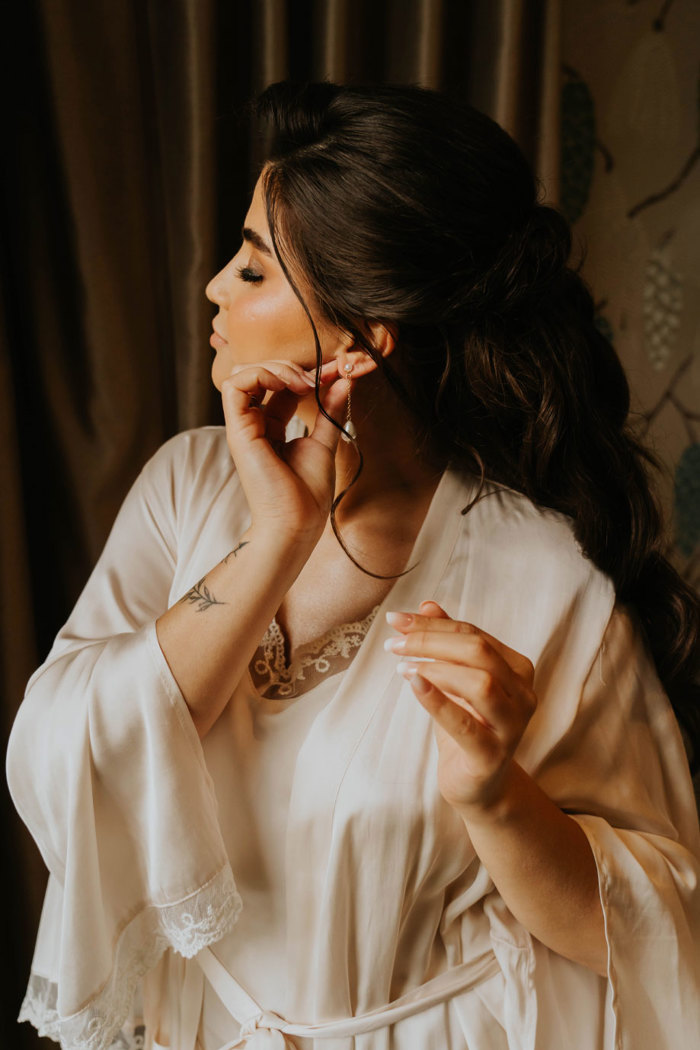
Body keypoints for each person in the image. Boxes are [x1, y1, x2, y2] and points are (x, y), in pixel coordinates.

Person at [7, 81, 700, 1050]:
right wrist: (274, 538)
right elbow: (57, 753)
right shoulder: (184, 489)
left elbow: (663, 934)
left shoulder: (541, 585)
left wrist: (497, 798)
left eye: (251, 272)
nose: (211, 288)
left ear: (366, 338)